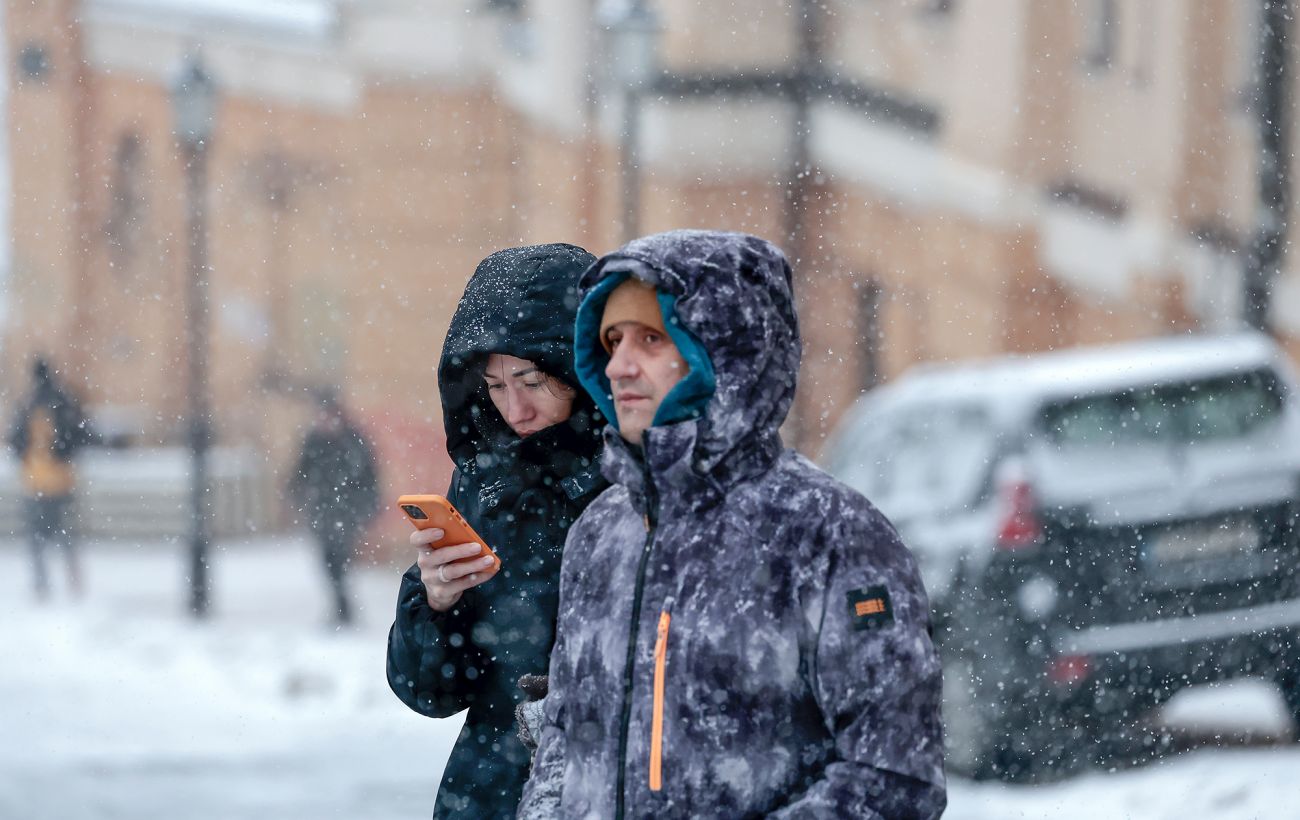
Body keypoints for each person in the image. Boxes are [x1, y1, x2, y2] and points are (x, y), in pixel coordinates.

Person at [518, 230, 947, 818]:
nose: (618, 365)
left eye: (650, 338)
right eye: (612, 341)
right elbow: (565, 740)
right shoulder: (601, 532)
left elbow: (893, 776)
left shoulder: (827, 533)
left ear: (725, 353)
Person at [385, 243, 607, 820]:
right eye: (496, 384)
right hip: (490, 793)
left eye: (532, 381)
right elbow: (431, 693)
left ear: (581, 369)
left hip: (606, 789)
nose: (515, 408)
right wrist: (436, 602)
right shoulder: (484, 481)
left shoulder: (634, 483)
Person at [288, 389, 380, 626]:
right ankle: (341, 604)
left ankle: (343, 607)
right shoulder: (313, 440)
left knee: (339, 557)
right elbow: (301, 471)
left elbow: (369, 477)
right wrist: (294, 495)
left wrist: (368, 507)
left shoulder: (353, 440)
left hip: (347, 511)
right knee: (326, 560)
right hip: (321, 509)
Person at [7, 357, 96, 600]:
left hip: (34, 480)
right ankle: (74, 582)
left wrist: (28, 456)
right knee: (66, 536)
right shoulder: (65, 400)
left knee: (36, 538)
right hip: (62, 480)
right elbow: (82, 434)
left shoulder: (27, 403)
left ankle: (41, 585)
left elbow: (15, 440)